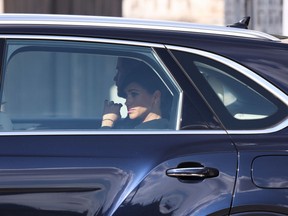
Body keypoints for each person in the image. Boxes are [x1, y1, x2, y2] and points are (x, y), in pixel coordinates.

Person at [101, 59, 170, 129]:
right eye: (127, 96)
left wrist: (107, 121)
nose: (127, 103)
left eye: (134, 94)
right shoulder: (143, 129)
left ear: (155, 97)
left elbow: (102, 140)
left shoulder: (149, 132)